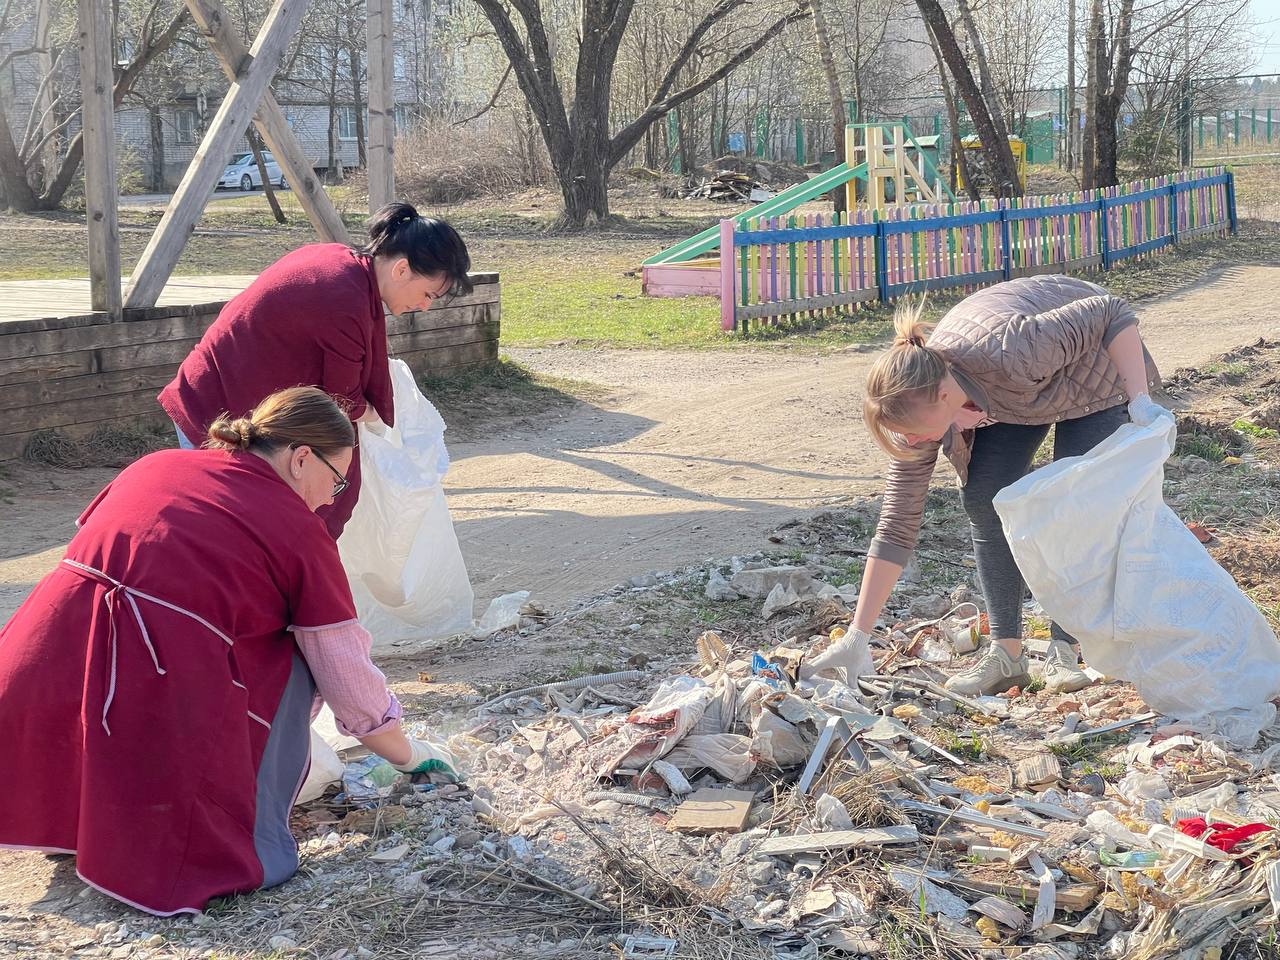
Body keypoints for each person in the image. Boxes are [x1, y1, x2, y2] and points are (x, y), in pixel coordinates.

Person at [0, 388, 455, 916]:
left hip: (34, 669)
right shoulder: (299, 531)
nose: (333, 496)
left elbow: (105, 546)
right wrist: (409, 755)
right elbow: (343, 670)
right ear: (300, 456)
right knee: (295, 657)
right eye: (337, 479)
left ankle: (71, 816)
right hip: (142, 691)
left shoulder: (158, 464)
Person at [836, 275, 1170, 697]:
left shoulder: (1011, 349)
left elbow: (1112, 312)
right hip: (1013, 392)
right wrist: (857, 636)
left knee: (1073, 504)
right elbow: (897, 524)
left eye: (917, 434)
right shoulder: (915, 409)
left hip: (1092, 371)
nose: (915, 442)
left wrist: (1140, 400)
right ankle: (1007, 656)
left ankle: (1064, 650)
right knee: (985, 498)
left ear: (942, 397)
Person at [158, 201, 472, 539]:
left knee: (248, 533)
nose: (424, 306)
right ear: (401, 270)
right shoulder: (344, 297)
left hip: (221, 391)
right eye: (428, 294)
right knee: (227, 536)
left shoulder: (339, 263)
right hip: (213, 408)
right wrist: (376, 416)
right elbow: (340, 403)